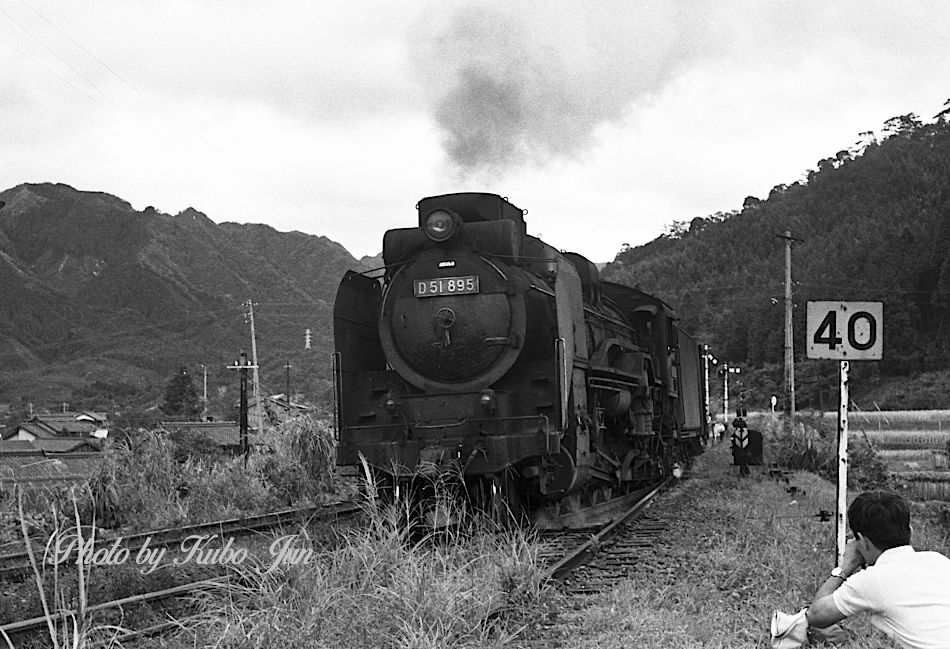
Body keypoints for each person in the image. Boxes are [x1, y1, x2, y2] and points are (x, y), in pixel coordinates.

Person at [807, 491, 950, 649]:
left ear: (862, 541)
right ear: (910, 531)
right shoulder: (939, 561)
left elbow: (816, 616)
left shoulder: (873, 579)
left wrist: (845, 567)